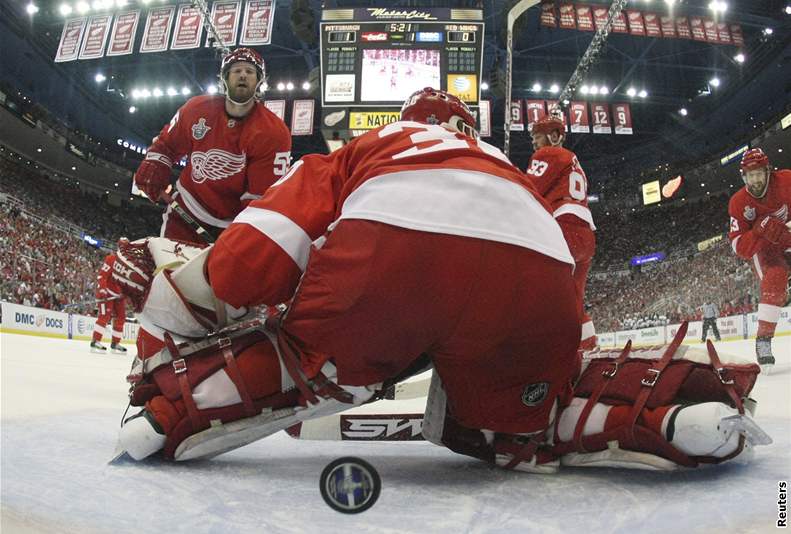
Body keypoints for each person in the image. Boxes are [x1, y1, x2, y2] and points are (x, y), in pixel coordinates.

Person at [109, 89, 765, 472]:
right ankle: (668, 416)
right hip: (531, 277)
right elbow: (538, 250)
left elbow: (274, 234)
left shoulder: (379, 142)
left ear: (409, 118)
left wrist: (198, 290)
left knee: (311, 361)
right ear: (465, 129)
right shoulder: (508, 165)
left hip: (388, 265)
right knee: (515, 422)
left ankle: (171, 413)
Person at [134, 47, 292, 243]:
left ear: (260, 82)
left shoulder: (273, 133)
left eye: (250, 72)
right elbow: (167, 145)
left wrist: (246, 233)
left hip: (233, 224)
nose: (243, 75)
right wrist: (154, 166)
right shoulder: (196, 109)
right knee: (170, 271)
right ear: (224, 79)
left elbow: (260, 197)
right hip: (188, 208)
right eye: (236, 71)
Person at [526, 113, 597, 350]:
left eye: (537, 137)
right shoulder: (574, 160)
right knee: (574, 296)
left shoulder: (548, 154)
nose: (535, 143)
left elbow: (529, 191)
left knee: (537, 286)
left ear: (554, 136)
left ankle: (544, 345)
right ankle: (586, 344)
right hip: (586, 234)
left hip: (563, 228)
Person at [727, 148, 791, 367]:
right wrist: (759, 232)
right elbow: (740, 247)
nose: (755, 179)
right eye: (750, 175)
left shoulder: (786, 180)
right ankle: (763, 340)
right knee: (775, 277)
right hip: (766, 251)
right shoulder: (737, 202)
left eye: (759, 174)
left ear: (768, 172)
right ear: (744, 176)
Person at [89, 251, 127, 354]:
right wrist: (102, 289)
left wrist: (125, 292)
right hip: (107, 293)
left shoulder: (127, 262)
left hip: (118, 295)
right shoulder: (111, 258)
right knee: (104, 316)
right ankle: (95, 341)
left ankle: (115, 343)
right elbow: (102, 275)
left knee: (121, 317)